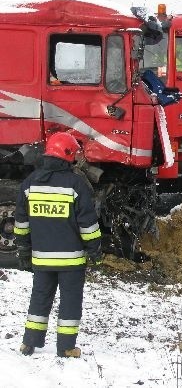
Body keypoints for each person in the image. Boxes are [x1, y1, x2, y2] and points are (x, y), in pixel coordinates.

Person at [14, 132, 102, 358]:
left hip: (41, 258)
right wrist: (95, 250)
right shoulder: (75, 184)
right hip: (71, 261)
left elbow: (21, 223)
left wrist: (24, 250)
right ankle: (66, 347)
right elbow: (87, 224)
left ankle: (29, 343)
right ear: (69, 155)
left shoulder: (29, 184)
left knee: (40, 298)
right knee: (70, 303)